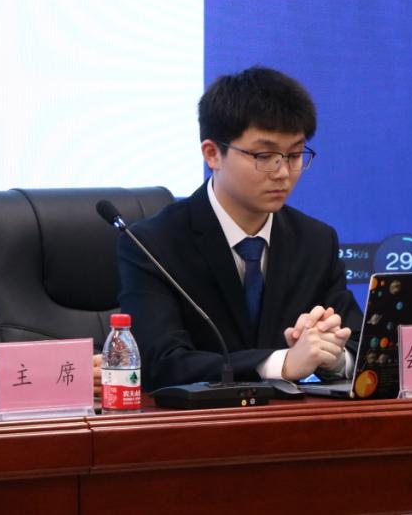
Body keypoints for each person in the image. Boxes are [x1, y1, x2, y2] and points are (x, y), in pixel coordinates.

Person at [117, 66, 361, 389]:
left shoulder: (316, 241)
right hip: (201, 420)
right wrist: (281, 363)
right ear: (212, 154)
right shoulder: (153, 245)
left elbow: (361, 344)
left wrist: (333, 355)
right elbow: (162, 362)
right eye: (264, 155)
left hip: (293, 419)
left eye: (294, 154)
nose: (282, 172)